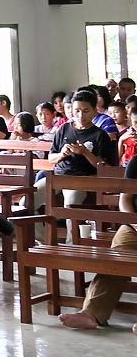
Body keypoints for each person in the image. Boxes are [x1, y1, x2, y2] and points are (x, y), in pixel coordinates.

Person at [58, 152, 137, 334]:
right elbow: (124, 199)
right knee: (115, 259)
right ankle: (91, 313)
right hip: (134, 225)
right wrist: (133, 221)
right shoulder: (136, 161)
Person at [34, 88, 118, 215]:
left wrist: (85, 152)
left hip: (81, 179)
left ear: (94, 111)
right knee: (27, 202)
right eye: (77, 111)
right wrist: (62, 154)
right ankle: (41, 229)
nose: (81, 115)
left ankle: (70, 229)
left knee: (70, 207)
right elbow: (51, 158)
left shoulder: (100, 135)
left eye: (86, 111)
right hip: (57, 176)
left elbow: (105, 167)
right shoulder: (64, 129)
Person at [119, 102, 137, 168]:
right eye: (135, 122)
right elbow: (118, 157)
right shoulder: (127, 135)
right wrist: (121, 140)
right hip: (126, 166)